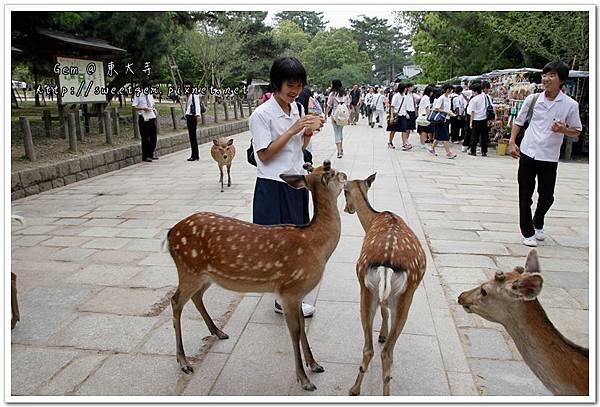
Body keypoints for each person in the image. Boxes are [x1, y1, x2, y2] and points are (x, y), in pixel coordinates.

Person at [248, 57, 324, 317]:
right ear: (277, 83)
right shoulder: (262, 115)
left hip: (295, 182)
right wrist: (293, 130)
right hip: (273, 185)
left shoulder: (297, 110)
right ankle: (283, 299)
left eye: (299, 86)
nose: (295, 91)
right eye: (290, 85)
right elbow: (265, 156)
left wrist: (306, 135)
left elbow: (298, 150)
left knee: (296, 243)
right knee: (277, 246)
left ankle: (289, 295)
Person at [508, 61, 582, 247]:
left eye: (552, 76)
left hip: (549, 156)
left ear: (562, 80)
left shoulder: (570, 105)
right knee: (525, 194)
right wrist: (512, 142)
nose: (546, 79)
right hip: (528, 151)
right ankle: (528, 231)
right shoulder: (532, 99)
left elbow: (577, 131)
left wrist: (563, 129)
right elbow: (519, 121)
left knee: (547, 196)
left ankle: (538, 220)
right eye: (545, 75)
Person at [132, 79, 158, 162]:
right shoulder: (138, 94)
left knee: (153, 136)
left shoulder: (150, 94)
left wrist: (155, 109)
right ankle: (146, 156)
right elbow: (134, 107)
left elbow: (153, 104)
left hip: (151, 116)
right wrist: (143, 108)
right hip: (143, 116)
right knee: (145, 137)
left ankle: (151, 153)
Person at [428, 84, 457, 159]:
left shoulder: (448, 98)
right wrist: (446, 112)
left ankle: (432, 149)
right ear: (447, 90)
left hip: (446, 119)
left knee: (438, 136)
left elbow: (448, 108)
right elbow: (437, 108)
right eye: (451, 89)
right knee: (445, 137)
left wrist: (450, 113)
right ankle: (448, 152)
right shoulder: (442, 98)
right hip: (441, 119)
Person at [325, 79, 350, 158]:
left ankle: (339, 151)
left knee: (336, 132)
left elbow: (329, 106)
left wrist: (325, 114)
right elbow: (348, 105)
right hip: (344, 115)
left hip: (335, 115)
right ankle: (341, 148)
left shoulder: (332, 94)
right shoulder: (345, 94)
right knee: (340, 131)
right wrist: (348, 116)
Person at [466, 81, 491, 156]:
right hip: (484, 119)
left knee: (475, 136)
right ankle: (484, 151)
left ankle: (473, 151)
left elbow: (472, 112)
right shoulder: (485, 97)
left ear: (476, 91)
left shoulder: (474, 99)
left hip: (476, 119)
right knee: (484, 136)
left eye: (473, 91)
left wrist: (471, 122)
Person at [183, 80, 202, 161]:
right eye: (185, 86)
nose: (186, 88)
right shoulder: (189, 95)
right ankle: (194, 155)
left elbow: (197, 105)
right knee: (192, 137)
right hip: (189, 116)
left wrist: (198, 115)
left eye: (188, 86)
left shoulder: (194, 94)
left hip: (192, 117)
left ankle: (194, 155)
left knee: (193, 137)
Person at [399, 83, 418, 151]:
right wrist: (406, 113)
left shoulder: (412, 95)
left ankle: (406, 141)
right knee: (406, 128)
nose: (413, 88)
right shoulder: (405, 95)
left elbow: (419, 98)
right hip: (407, 112)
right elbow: (403, 105)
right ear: (408, 88)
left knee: (409, 129)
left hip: (412, 112)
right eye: (411, 87)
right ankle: (405, 142)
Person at [386, 83, 405, 149]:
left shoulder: (404, 96)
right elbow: (392, 106)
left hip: (403, 115)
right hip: (396, 115)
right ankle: (390, 142)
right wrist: (391, 116)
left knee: (404, 129)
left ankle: (404, 144)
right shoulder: (396, 96)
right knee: (393, 130)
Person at [417, 85, 435, 150]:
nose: (432, 93)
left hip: (421, 115)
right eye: (431, 92)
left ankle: (422, 143)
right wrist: (429, 116)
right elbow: (427, 108)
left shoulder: (424, 97)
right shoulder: (427, 98)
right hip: (424, 116)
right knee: (424, 130)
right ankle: (423, 144)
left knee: (422, 130)